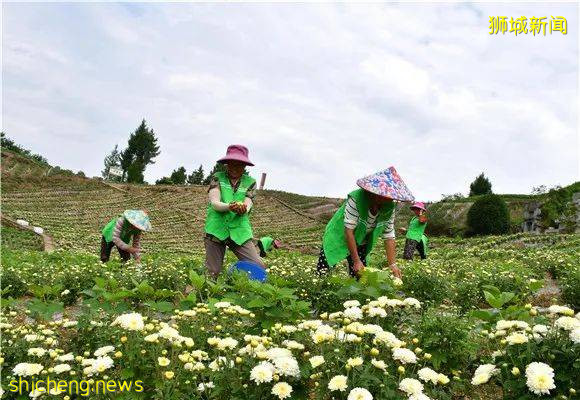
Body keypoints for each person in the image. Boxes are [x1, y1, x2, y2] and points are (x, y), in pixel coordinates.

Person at [316, 167, 415, 279]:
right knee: (324, 269)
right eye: (387, 195)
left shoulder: (389, 206)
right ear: (375, 193)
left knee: (361, 275)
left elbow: (389, 236)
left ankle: (354, 293)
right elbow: (349, 232)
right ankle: (319, 289)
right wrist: (356, 260)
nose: (390, 199)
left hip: (361, 239)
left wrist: (393, 265)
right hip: (338, 234)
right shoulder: (356, 198)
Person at [204, 144, 265, 278]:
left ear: (244, 166)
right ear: (227, 164)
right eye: (232, 164)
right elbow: (214, 203)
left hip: (239, 230)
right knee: (212, 272)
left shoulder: (250, 182)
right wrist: (230, 206)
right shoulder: (217, 177)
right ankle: (204, 294)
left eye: (239, 165)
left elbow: (248, 203)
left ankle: (234, 274)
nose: (235, 168)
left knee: (257, 265)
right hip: (217, 228)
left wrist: (244, 208)